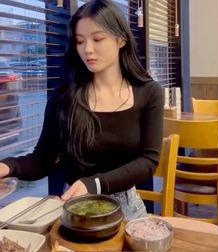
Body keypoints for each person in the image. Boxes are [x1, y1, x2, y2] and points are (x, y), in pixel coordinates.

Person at [0, 0, 164, 220]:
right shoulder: (63, 97)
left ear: (121, 39)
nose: (87, 49)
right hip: (75, 209)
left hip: (127, 210)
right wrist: (8, 166)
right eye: (80, 41)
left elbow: (148, 162)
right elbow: (42, 160)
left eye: (98, 39)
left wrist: (94, 183)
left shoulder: (149, 92)